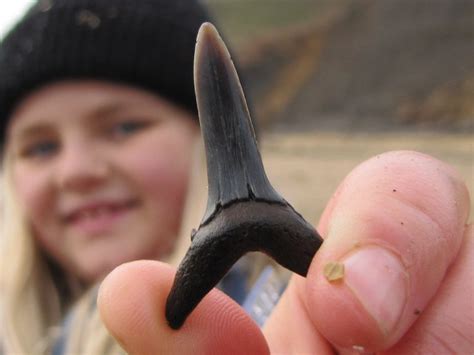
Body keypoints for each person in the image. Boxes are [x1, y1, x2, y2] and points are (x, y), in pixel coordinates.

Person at [1, 1, 472, 355]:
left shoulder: (282, 317)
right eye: (40, 146)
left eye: (125, 126)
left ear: (209, 139)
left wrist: (370, 301)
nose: (77, 171)